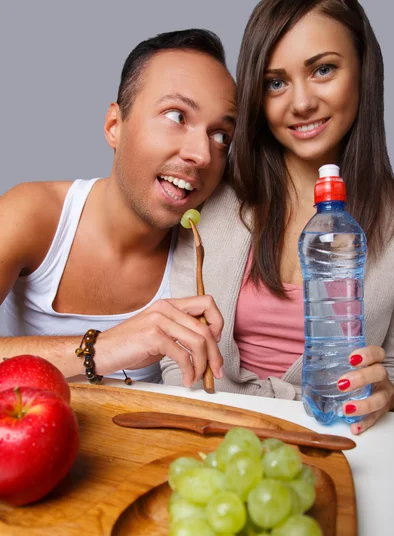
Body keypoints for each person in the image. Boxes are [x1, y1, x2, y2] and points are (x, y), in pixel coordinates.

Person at [162, 0, 394, 434]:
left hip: (337, 439)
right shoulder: (212, 194)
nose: (302, 103)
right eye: (275, 83)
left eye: (323, 69)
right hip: (214, 435)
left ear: (364, 70)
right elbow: (175, 355)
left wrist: (387, 394)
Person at [0, 29, 237, 387]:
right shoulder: (34, 213)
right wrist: (102, 348)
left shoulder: (207, 255)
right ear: (115, 125)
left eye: (221, 136)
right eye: (177, 116)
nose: (202, 155)